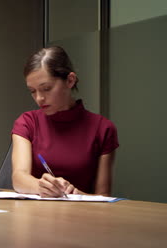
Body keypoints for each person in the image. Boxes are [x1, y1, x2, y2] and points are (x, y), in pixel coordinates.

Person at [11, 46, 119, 197]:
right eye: (32, 91)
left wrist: (75, 194)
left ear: (70, 80)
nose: (39, 98)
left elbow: (103, 198)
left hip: (83, 215)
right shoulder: (27, 122)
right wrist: (41, 186)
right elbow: (19, 178)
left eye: (46, 88)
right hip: (35, 215)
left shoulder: (103, 129)